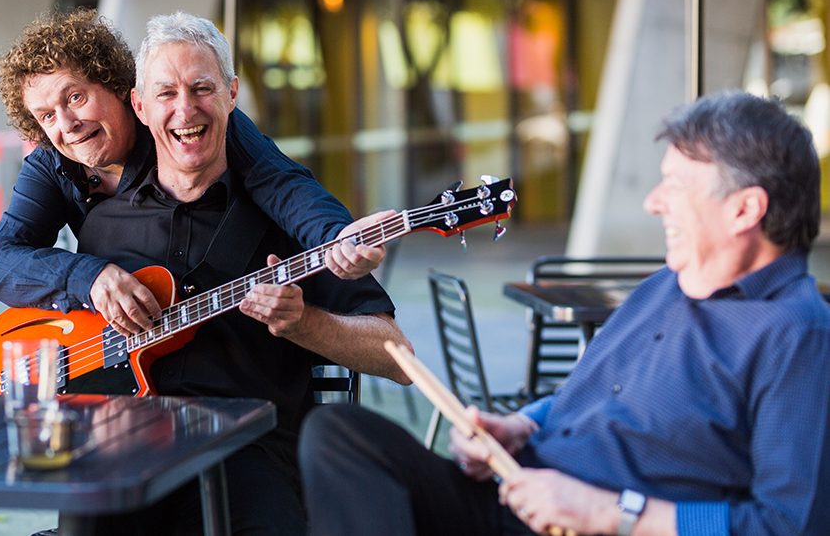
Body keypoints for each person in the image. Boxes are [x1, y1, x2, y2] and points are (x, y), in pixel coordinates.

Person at [299, 91, 830, 536]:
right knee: (339, 435)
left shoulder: (797, 334)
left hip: (589, 525)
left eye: (677, 185)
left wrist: (608, 513)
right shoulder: (665, 286)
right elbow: (591, 394)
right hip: (521, 492)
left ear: (745, 209)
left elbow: (785, 524)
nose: (653, 201)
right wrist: (520, 425)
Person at [62, 11, 411, 535]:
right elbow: (62, 345)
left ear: (231, 94)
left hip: (247, 450)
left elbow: (399, 358)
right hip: (123, 448)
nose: (186, 108)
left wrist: (304, 323)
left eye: (202, 87)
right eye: (166, 94)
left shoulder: (291, 223)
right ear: (139, 106)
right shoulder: (103, 230)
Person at [0, 9, 386, 393]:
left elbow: (283, 184)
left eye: (76, 97)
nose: (67, 124)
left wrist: (336, 240)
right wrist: (87, 276)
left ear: (122, 91)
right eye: (47, 115)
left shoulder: (186, 131)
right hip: (117, 363)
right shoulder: (52, 163)